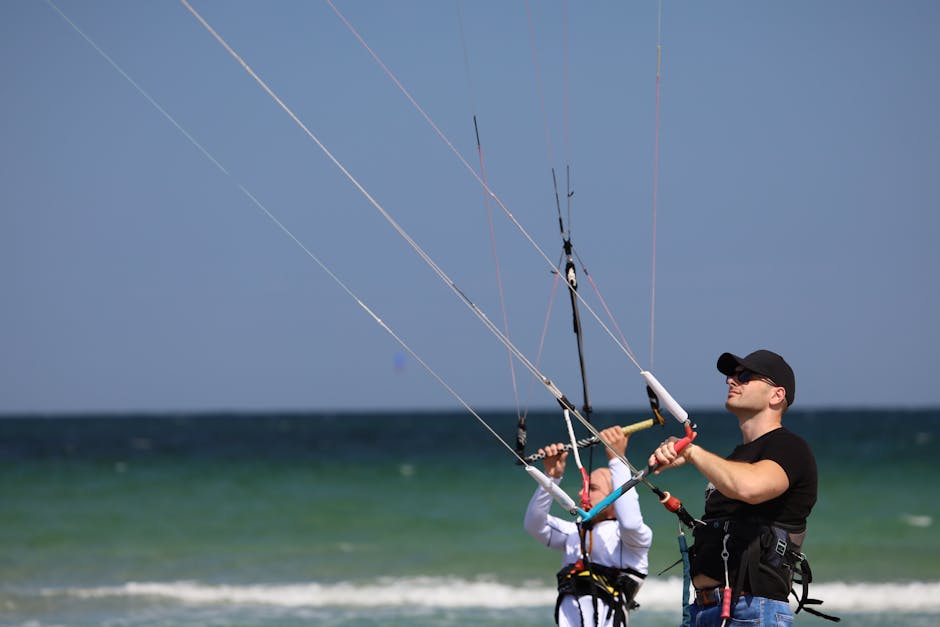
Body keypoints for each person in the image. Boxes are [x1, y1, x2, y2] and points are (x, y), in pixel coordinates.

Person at [649, 349, 820, 626]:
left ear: (777, 395)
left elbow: (750, 487)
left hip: (752, 610)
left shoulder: (790, 448)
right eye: (731, 376)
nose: (731, 381)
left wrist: (692, 453)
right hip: (706, 611)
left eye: (745, 376)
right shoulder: (733, 460)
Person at [524, 425, 653, 627]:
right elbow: (534, 524)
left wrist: (616, 459)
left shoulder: (632, 538)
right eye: (584, 488)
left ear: (614, 498)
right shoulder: (574, 533)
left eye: (592, 488)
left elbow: (629, 520)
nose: (582, 495)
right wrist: (550, 479)